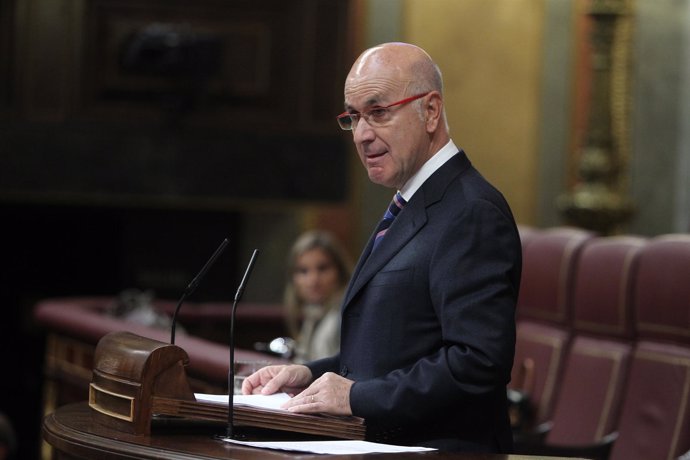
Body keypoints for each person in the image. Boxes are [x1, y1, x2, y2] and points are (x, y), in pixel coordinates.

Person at [243, 42, 522, 453]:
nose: (362, 135)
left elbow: (476, 363)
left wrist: (354, 398)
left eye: (378, 112)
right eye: (353, 117)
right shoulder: (410, 202)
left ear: (430, 111)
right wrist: (310, 374)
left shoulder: (470, 211)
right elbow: (393, 354)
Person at [283, 230, 352, 363]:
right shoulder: (314, 315)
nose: (313, 280)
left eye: (323, 268)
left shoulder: (343, 317)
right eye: (303, 271)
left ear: (340, 272)